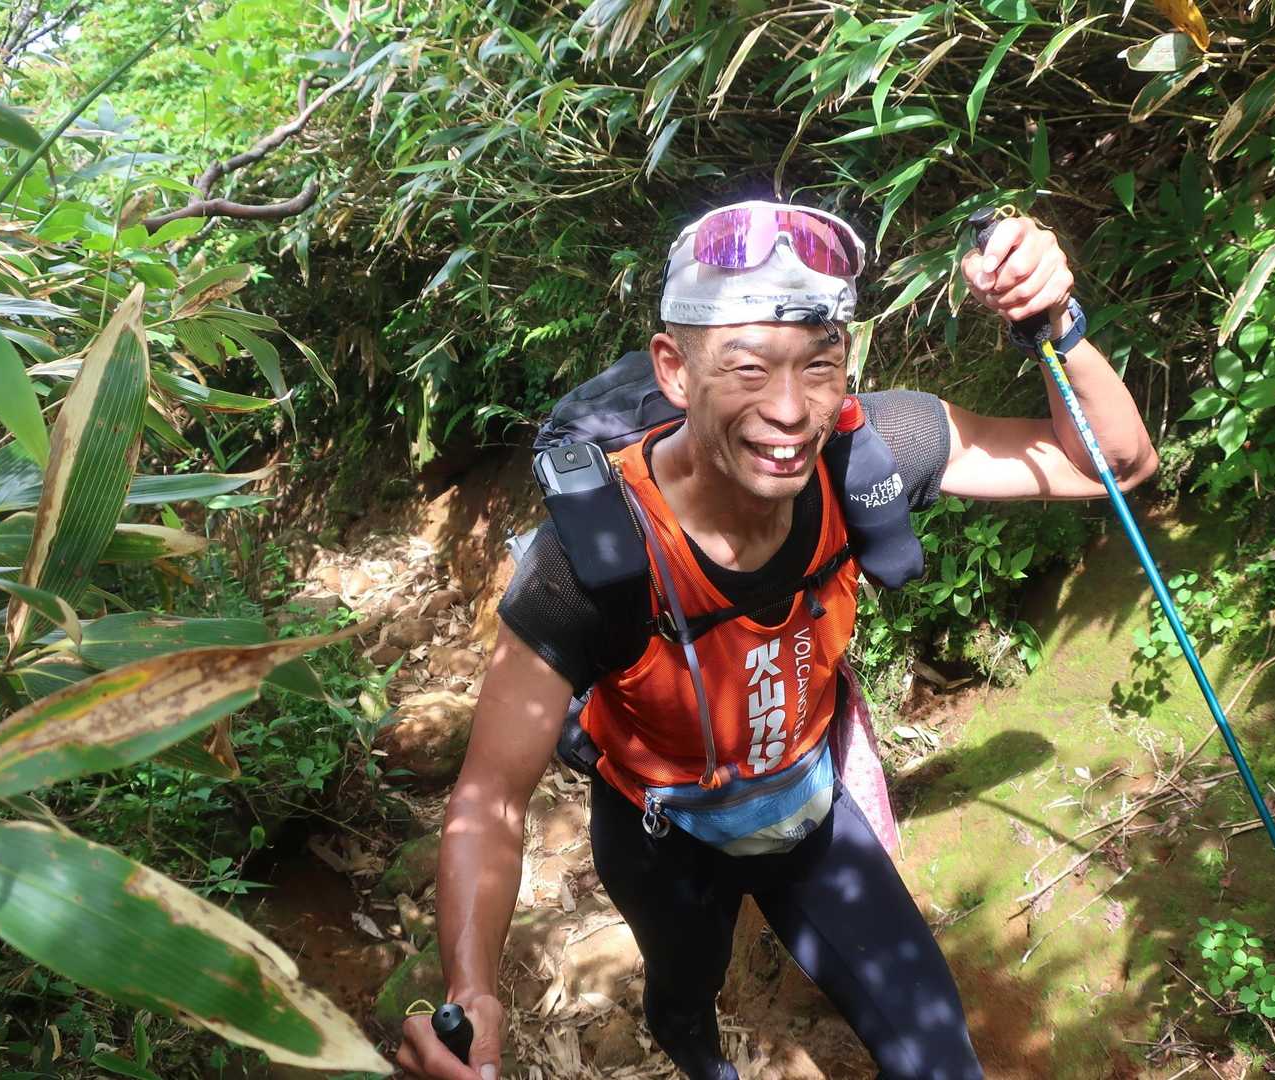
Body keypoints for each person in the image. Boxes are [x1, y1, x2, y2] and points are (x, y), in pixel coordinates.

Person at [394, 201, 1158, 1080]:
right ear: (675, 370)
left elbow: (1115, 464)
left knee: (940, 1057)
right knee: (686, 996)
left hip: (807, 811)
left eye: (820, 364)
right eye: (748, 367)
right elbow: (491, 796)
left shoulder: (870, 451)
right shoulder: (587, 564)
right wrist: (472, 988)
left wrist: (1055, 324)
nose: (791, 411)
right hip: (661, 833)